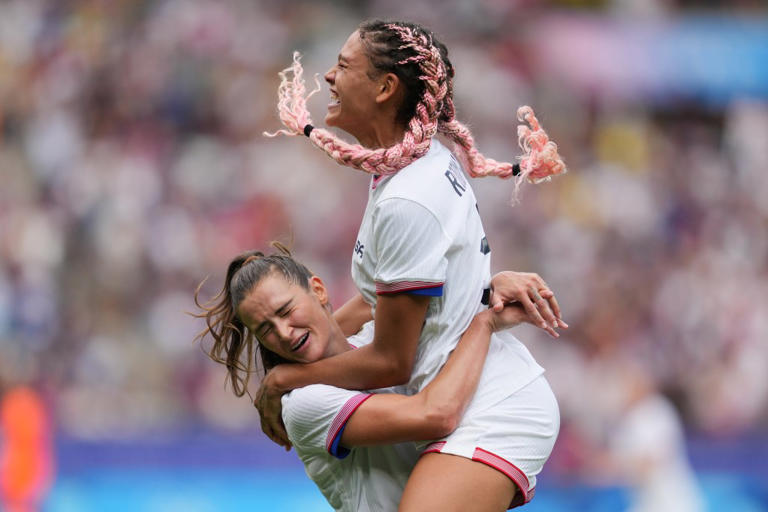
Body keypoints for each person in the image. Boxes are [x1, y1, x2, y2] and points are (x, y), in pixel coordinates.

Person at [257, 20, 567, 510]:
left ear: (385, 88)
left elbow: (391, 362)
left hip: (490, 406)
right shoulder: (411, 168)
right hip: (468, 391)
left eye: (343, 66)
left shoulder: (407, 197)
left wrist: (285, 380)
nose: (329, 78)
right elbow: (377, 298)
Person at [194, 246, 559, 511]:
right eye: (266, 330)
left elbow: (399, 295)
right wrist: (486, 323)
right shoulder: (304, 404)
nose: (285, 333)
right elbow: (437, 414)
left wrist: (490, 287)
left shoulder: (372, 342)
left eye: (286, 311)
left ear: (319, 289)